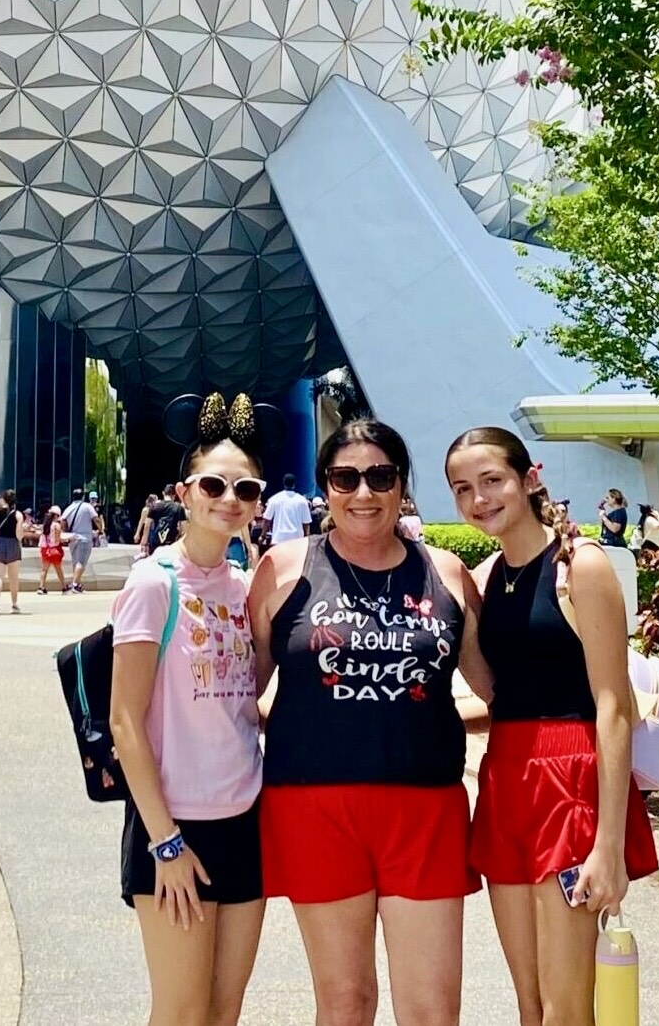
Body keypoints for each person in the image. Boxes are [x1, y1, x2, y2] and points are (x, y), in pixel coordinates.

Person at [248, 420, 494, 1026]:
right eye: (345, 477)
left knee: (432, 1010)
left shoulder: (447, 574)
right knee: (345, 1002)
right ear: (324, 487)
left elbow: (501, 690)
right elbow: (238, 691)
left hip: (425, 808)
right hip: (313, 806)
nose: (364, 492)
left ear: (401, 486)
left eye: (380, 476)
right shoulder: (283, 569)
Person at [445, 428, 658, 1026]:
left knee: (568, 1008)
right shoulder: (484, 577)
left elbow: (612, 706)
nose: (479, 499)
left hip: (571, 785)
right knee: (531, 1005)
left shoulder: (580, 566)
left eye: (492, 481)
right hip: (506, 780)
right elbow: (510, 695)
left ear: (528, 477)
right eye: (463, 488)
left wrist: (608, 847)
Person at [109, 391, 269, 1026]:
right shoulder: (153, 584)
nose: (230, 499)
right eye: (214, 484)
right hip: (173, 826)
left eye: (247, 488)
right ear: (184, 492)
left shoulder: (245, 589)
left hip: (245, 821)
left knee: (224, 1012)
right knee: (181, 1012)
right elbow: (125, 721)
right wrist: (165, 844)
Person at [0, 489, 25, 615]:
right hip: (13, 544)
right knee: (13, 577)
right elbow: (19, 535)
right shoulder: (18, 515)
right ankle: (14, 605)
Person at [62, 488, 103, 592]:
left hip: (73, 538)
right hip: (84, 537)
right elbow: (96, 519)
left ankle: (78, 584)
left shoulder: (69, 508)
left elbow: (62, 520)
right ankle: (75, 584)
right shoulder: (87, 507)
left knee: (75, 563)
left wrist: (65, 531)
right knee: (81, 562)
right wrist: (101, 529)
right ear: (83, 497)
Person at [261, 473, 311, 546]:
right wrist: (307, 539)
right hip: (297, 540)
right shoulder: (302, 500)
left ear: (283, 483)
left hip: (278, 540)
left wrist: (262, 536)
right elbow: (306, 523)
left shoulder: (274, 499)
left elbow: (267, 520)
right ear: (294, 484)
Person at [144, 484, 187, 556]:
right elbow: (184, 528)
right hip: (171, 542)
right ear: (175, 495)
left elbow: (147, 525)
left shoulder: (154, 506)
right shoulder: (179, 507)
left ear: (163, 493)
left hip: (155, 542)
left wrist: (144, 542)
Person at [37, 506, 68, 595]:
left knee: (44, 569)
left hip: (45, 549)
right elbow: (58, 540)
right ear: (56, 516)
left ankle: (41, 587)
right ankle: (64, 587)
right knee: (58, 569)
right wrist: (66, 540)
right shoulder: (56, 525)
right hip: (54, 549)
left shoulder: (45, 525)